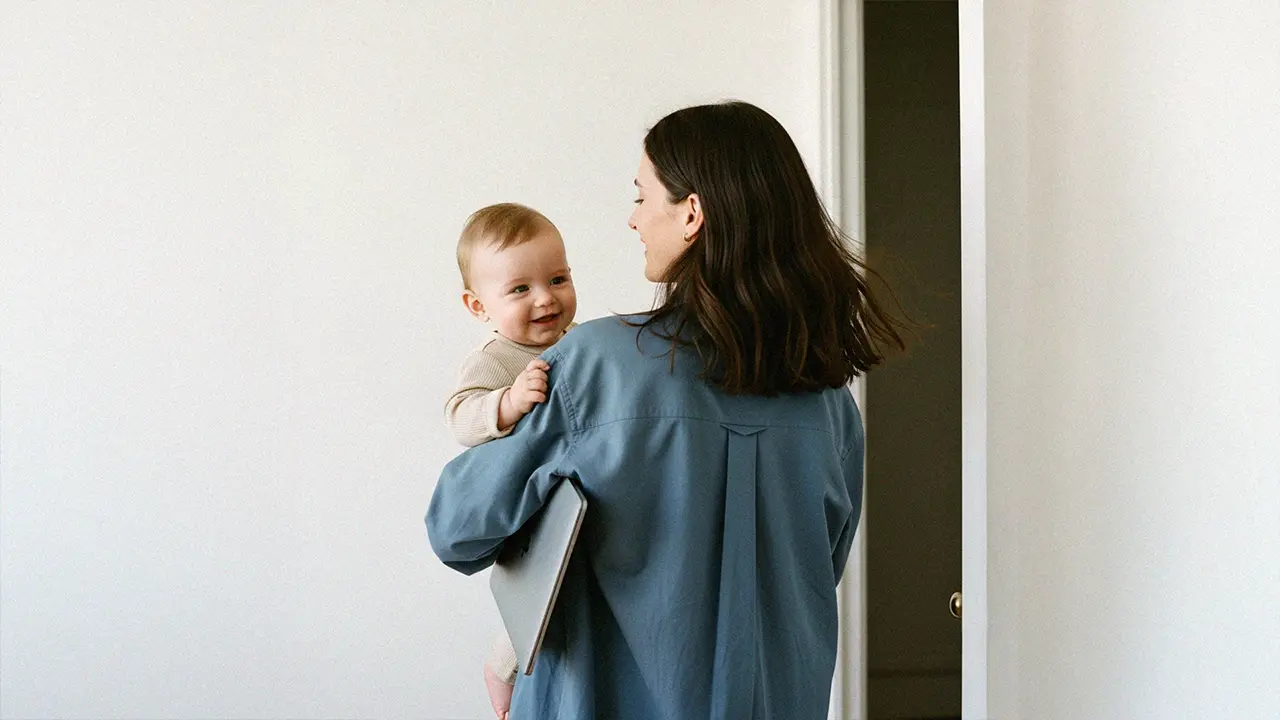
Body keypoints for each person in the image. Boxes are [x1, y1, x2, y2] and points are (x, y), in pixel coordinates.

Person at [427, 100, 909, 720]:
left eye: (640, 197)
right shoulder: (830, 406)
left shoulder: (594, 365)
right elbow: (819, 570)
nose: (633, 221)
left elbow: (457, 531)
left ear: (691, 213)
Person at [444, 202, 578, 719]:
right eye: (520, 289)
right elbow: (460, 416)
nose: (546, 299)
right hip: (527, 510)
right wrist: (508, 402)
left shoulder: (578, 342)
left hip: (571, 499)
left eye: (558, 278)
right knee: (535, 603)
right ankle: (501, 675)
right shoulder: (496, 359)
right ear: (478, 307)